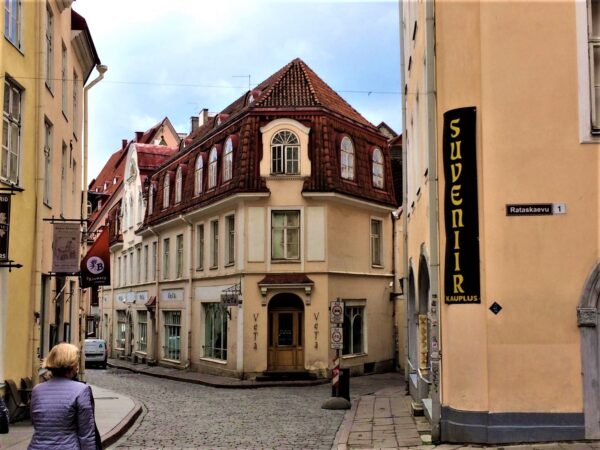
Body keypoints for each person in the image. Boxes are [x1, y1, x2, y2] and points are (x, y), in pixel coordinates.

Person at [28, 343, 100, 450]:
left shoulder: (37, 390)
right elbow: (86, 434)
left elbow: (37, 422)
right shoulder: (81, 390)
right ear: (73, 365)